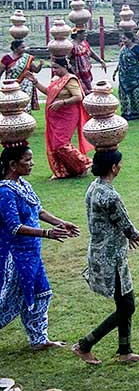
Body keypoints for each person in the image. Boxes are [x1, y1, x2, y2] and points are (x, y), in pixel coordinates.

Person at [73, 149, 139, 365]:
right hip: (111, 259)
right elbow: (130, 230)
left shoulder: (94, 187)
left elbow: (112, 222)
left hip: (101, 252)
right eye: (119, 164)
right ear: (113, 167)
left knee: (124, 302)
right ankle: (85, 345)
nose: (121, 166)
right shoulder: (110, 195)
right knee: (127, 306)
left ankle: (125, 351)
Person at [0, 143, 79, 350]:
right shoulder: (5, 192)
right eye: (27, 160)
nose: (32, 164)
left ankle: (39, 340)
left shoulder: (24, 185)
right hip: (15, 257)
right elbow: (15, 227)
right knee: (7, 299)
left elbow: (39, 211)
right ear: (12, 165)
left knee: (41, 294)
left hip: (32, 253)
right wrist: (47, 233)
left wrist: (60, 223)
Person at [33, 56, 93, 178]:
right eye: (52, 68)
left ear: (65, 67)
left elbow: (78, 96)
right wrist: (35, 82)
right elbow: (48, 92)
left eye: (56, 67)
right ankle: (65, 171)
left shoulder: (70, 79)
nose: (54, 70)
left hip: (68, 115)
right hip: (55, 116)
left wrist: (62, 102)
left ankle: (83, 164)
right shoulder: (57, 79)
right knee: (54, 144)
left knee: (61, 143)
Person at [115, 31, 139, 120]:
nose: (123, 41)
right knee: (124, 94)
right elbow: (121, 61)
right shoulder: (123, 48)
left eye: (125, 39)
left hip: (136, 76)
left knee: (136, 94)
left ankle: (138, 113)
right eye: (122, 39)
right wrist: (115, 71)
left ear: (130, 39)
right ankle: (126, 113)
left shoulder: (136, 48)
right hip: (124, 77)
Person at [2, 40, 41, 110]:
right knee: (12, 104)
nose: (24, 49)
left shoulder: (27, 58)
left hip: (26, 86)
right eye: (22, 47)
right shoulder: (6, 58)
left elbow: (36, 70)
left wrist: (40, 65)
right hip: (12, 86)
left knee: (25, 104)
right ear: (15, 48)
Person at [70, 30, 106, 95]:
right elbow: (67, 60)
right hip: (77, 74)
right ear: (78, 34)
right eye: (84, 33)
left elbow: (91, 52)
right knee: (81, 93)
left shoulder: (84, 43)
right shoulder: (71, 46)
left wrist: (101, 61)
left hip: (86, 72)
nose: (85, 35)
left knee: (88, 91)